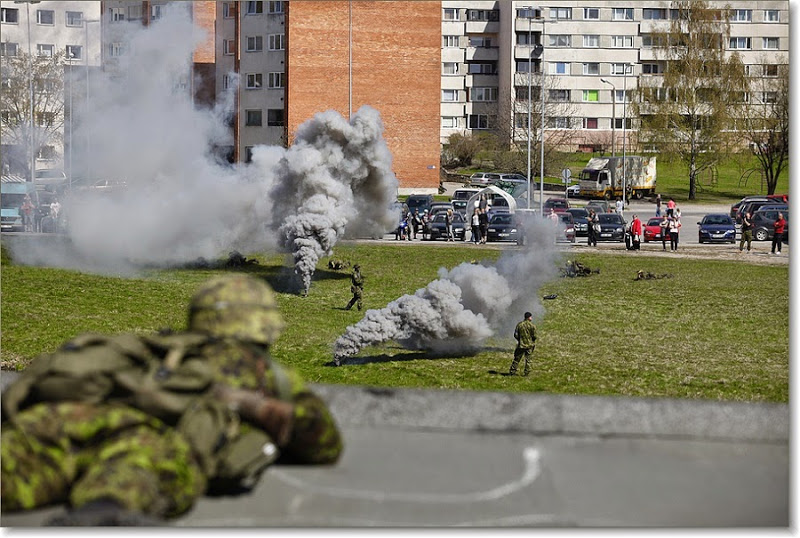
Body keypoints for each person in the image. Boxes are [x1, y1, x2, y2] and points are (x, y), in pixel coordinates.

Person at [0, 275, 343, 525]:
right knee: (132, 478)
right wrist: (259, 407)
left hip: (66, 418)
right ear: (264, 324)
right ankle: (100, 516)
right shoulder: (263, 373)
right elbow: (325, 444)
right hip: (143, 446)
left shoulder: (163, 349)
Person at [509, 312, 537, 377]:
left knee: (516, 360)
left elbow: (515, 335)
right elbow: (535, 336)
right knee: (528, 361)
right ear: (529, 317)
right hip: (529, 346)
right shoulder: (532, 326)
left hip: (521, 345)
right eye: (531, 317)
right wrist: (531, 341)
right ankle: (526, 373)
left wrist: (520, 340)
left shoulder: (519, 325)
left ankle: (512, 372)